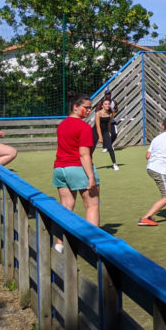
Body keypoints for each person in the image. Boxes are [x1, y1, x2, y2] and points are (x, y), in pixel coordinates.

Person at [52, 95, 100, 241]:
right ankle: (94, 243)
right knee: (92, 206)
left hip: (60, 169)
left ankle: (60, 243)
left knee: (66, 207)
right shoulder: (84, 127)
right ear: (75, 107)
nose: (89, 110)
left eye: (90, 108)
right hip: (77, 168)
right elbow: (84, 154)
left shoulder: (62, 124)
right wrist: (91, 176)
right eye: (86, 107)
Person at [94, 97, 119, 171]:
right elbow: (98, 126)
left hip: (105, 131)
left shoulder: (110, 114)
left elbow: (109, 124)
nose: (107, 105)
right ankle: (88, 164)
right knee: (91, 148)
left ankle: (114, 164)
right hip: (96, 131)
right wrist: (100, 137)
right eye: (105, 104)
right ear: (102, 105)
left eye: (108, 104)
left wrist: (109, 132)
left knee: (110, 148)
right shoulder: (98, 113)